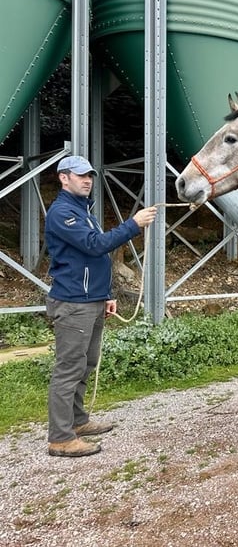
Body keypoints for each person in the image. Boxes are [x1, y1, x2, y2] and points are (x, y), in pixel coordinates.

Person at [44, 155, 158, 457]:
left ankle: (78, 422)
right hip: (73, 303)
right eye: (80, 176)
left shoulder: (84, 211)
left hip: (91, 300)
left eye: (90, 176)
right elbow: (96, 245)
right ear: (63, 178)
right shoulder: (62, 213)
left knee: (87, 363)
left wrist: (106, 294)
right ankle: (60, 437)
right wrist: (133, 224)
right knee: (68, 369)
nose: (87, 180)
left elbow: (95, 258)